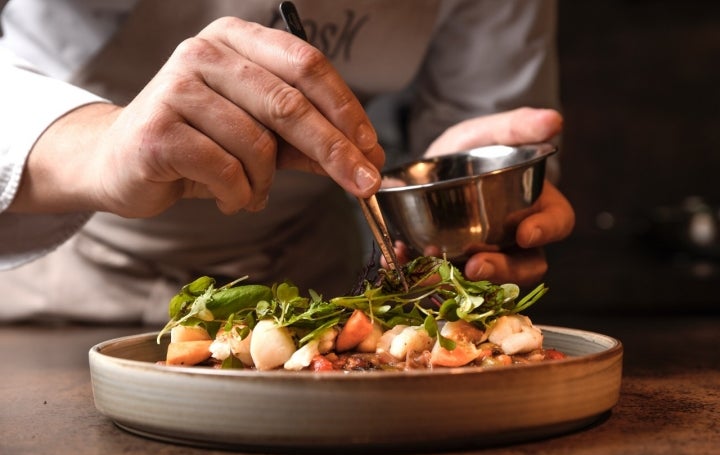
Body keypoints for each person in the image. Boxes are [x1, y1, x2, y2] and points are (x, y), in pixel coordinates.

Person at [0, 0, 574, 324]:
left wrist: (451, 200)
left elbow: (470, 124)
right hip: (57, 291)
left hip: (306, 295)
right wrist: (106, 144)